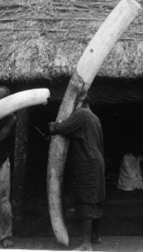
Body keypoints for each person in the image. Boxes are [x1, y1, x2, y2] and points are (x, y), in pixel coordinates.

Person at [49, 97, 105, 251]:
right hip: (96, 161)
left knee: (85, 200)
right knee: (95, 198)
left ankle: (86, 245)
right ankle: (95, 236)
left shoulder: (81, 114)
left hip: (87, 161)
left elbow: (63, 128)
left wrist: (54, 126)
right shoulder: (94, 117)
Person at [0, 86, 16, 248]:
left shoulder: (11, 118)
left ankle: (5, 236)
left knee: (3, 201)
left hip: (1, 163)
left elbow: (0, 137)